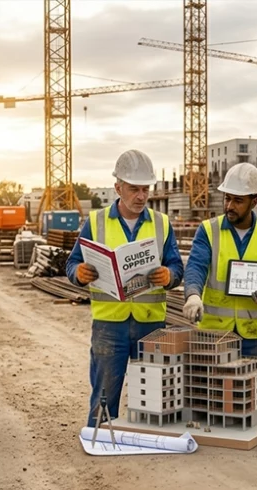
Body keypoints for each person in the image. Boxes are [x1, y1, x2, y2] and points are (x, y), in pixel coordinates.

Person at [66, 149, 184, 428]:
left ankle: (151, 441)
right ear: (118, 187)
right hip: (110, 324)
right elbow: (72, 264)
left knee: (155, 394)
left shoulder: (161, 223)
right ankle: (100, 439)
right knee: (104, 394)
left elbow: (177, 268)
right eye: (134, 189)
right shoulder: (95, 223)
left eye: (145, 189)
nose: (141, 196)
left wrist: (169, 275)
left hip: (151, 324)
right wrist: (79, 275)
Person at [182, 162, 257, 366]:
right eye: (227, 198)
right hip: (214, 333)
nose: (230, 206)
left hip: (253, 333)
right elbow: (196, 266)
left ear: (254, 201)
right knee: (211, 393)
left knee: (250, 394)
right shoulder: (208, 230)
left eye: (238, 200)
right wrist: (193, 295)